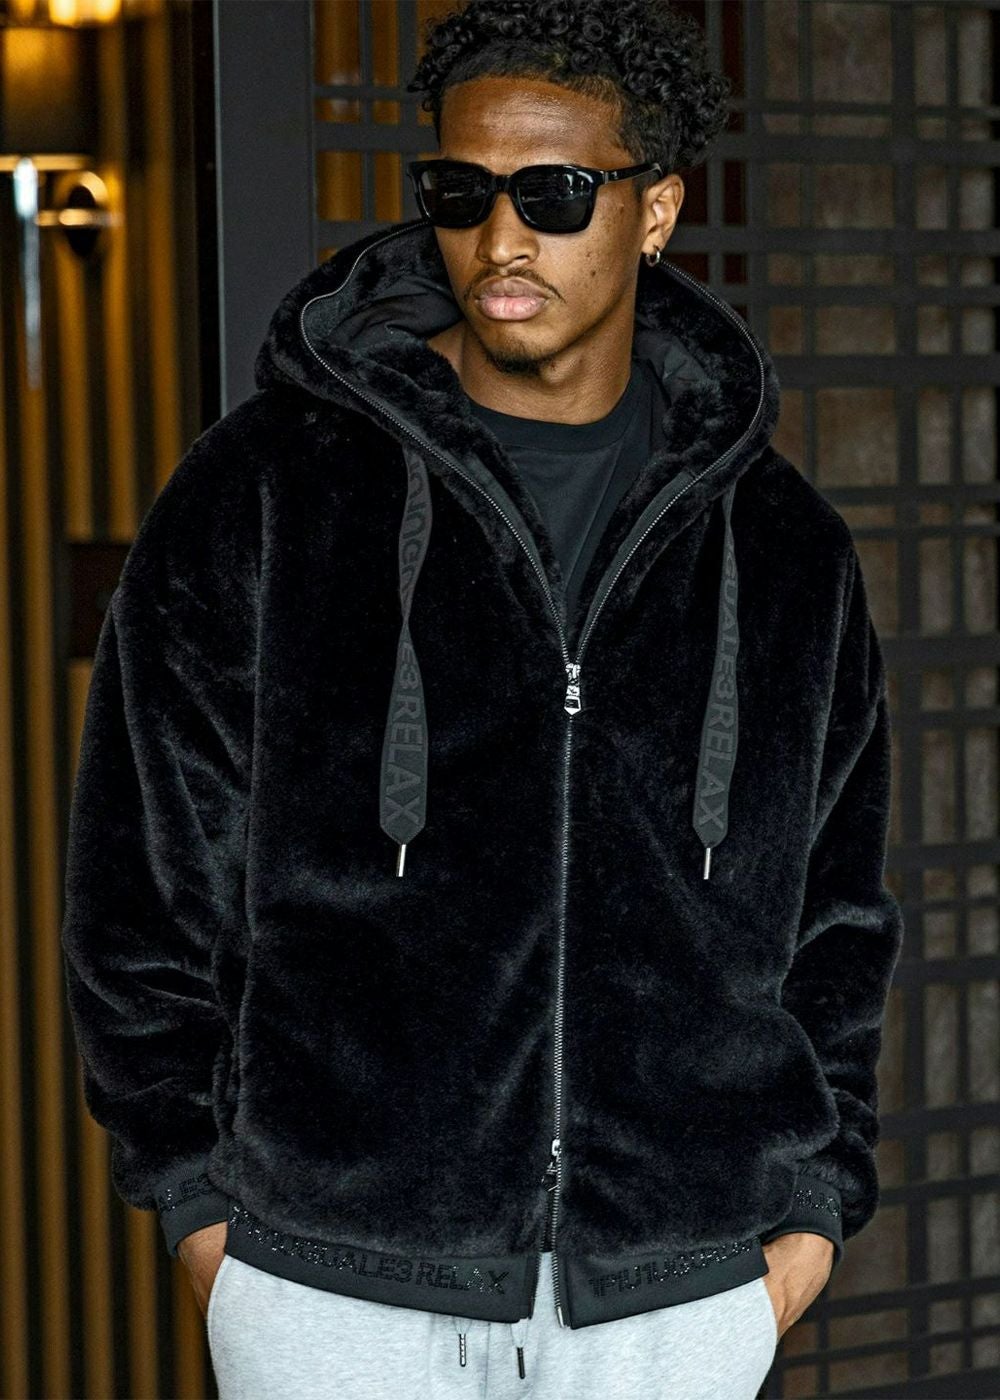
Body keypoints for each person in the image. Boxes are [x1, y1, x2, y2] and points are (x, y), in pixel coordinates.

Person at [60, 1, 904, 1396]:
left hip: (679, 1292)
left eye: (554, 193)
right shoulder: (269, 489)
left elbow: (840, 912)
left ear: (655, 211)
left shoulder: (783, 545)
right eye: (461, 193)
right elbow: (142, 880)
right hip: (333, 1281)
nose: (501, 239)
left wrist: (810, 1214)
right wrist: (200, 1201)